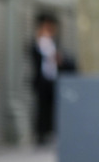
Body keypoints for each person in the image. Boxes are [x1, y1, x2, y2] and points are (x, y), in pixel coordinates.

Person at [31, 15, 59, 145]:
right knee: (41, 109)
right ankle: (40, 134)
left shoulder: (54, 44)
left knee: (51, 109)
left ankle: (50, 132)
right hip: (42, 82)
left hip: (52, 80)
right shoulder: (38, 44)